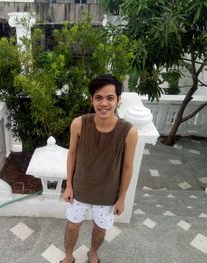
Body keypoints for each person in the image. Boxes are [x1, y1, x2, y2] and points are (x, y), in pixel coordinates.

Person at [60, 74, 138, 263]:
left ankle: (93, 252)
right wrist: (69, 185)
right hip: (80, 190)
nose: (104, 103)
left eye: (110, 98)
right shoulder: (79, 123)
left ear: (118, 100)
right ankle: (68, 256)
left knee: (100, 228)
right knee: (72, 226)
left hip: (107, 194)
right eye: (99, 98)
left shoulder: (129, 131)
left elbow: (127, 167)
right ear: (92, 99)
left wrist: (121, 198)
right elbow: (72, 155)